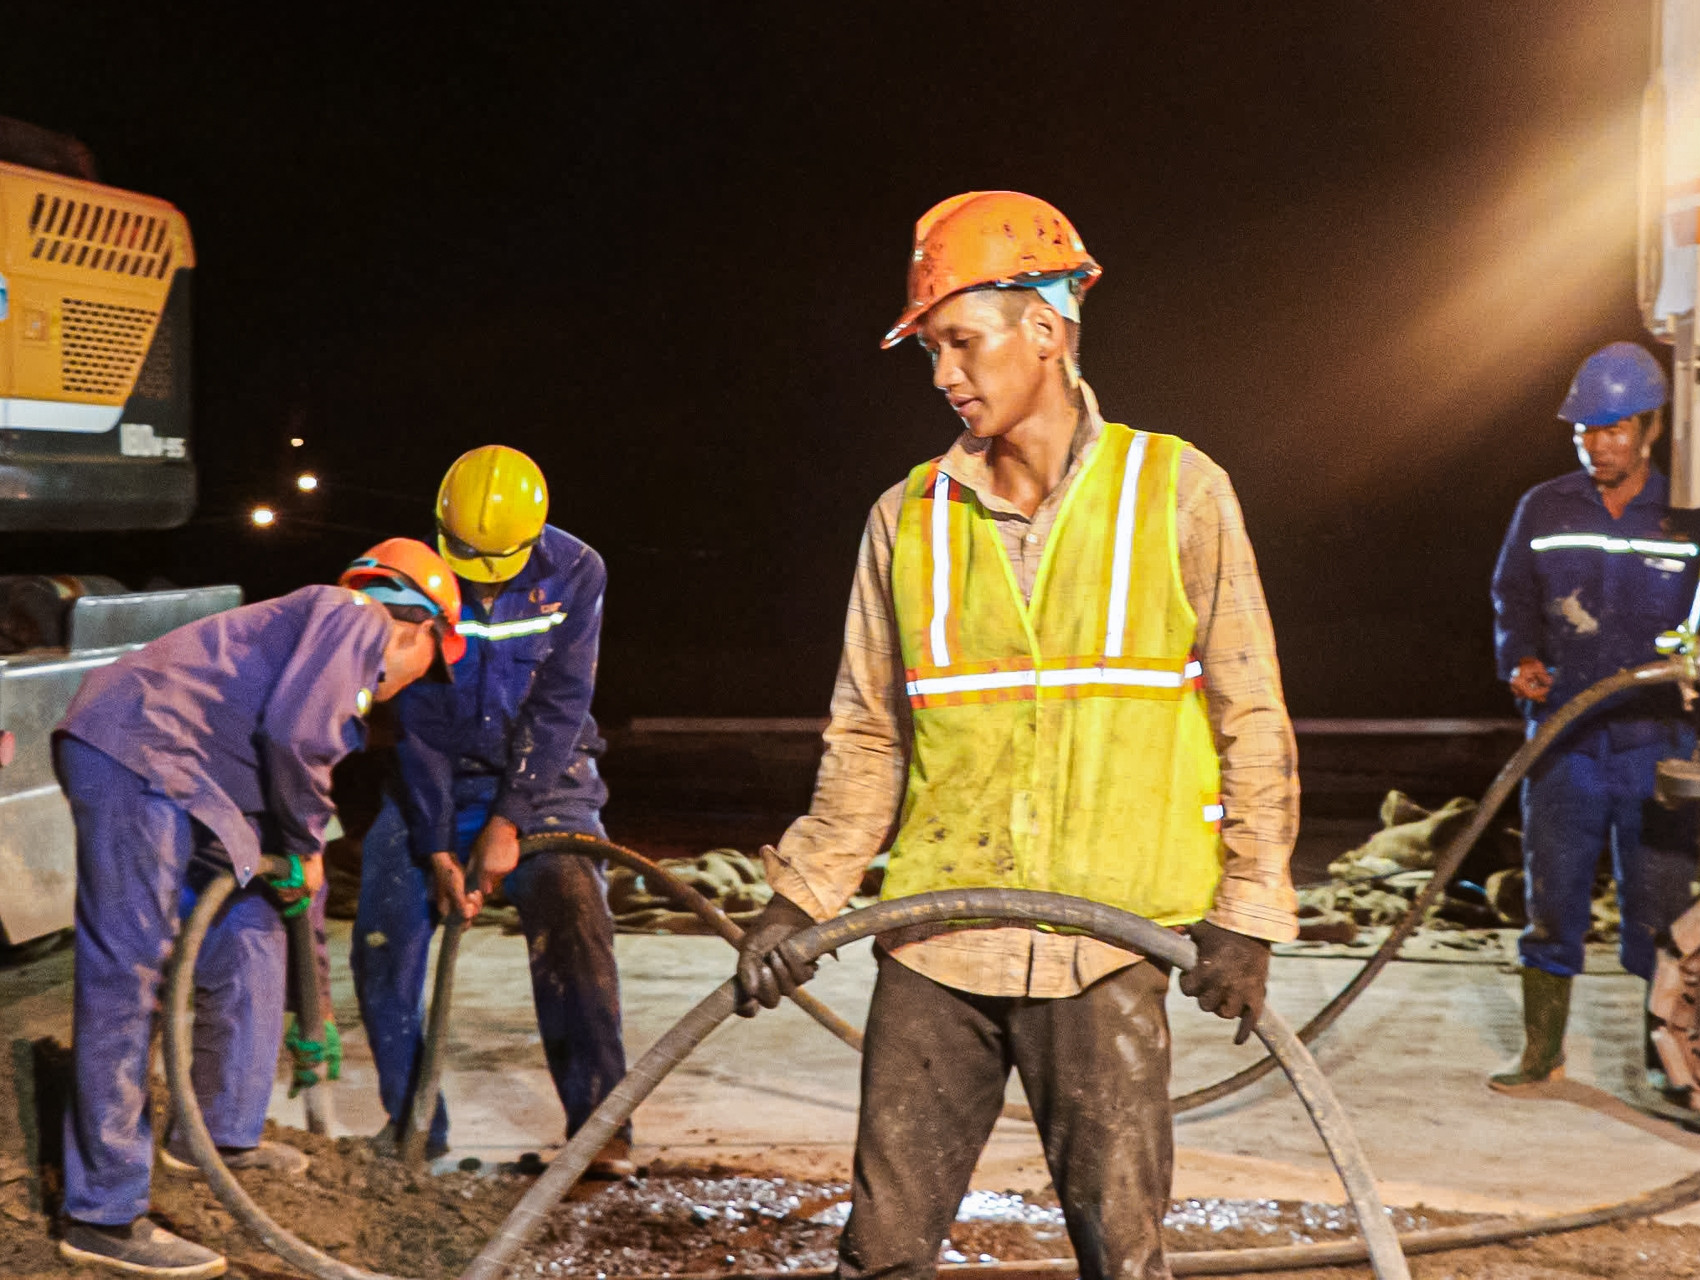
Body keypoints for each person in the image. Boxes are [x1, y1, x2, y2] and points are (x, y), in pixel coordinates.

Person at [734, 191, 1300, 1280]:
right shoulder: (905, 519)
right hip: (938, 939)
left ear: (1044, 329)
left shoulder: (1176, 489)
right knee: (882, 1251)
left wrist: (1248, 911)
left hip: (1109, 939)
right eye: (932, 349)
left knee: (1120, 1254)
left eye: (962, 340)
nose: (944, 372)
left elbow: (1250, 710)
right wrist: (799, 896)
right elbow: (868, 735)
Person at [56, 539, 463, 1279]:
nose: (412, 685)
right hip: (137, 749)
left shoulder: (318, 657)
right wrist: (308, 839)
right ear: (419, 626)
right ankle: (102, 1213)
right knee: (130, 968)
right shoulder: (356, 614)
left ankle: (217, 1133)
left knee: (254, 929)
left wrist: (319, 1015)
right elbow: (294, 741)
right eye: (428, 664)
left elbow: (297, 883)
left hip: (198, 780)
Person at [349, 445, 631, 1175]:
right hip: (435, 773)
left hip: (547, 775)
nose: (475, 577)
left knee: (574, 913)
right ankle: (414, 1128)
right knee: (383, 932)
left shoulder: (576, 572)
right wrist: (438, 844)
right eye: (463, 555)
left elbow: (562, 700)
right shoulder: (415, 578)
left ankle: (601, 1133)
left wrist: (511, 819)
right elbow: (417, 718)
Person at [1488, 341, 1700, 1093]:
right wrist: (1521, 659)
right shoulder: (1544, 506)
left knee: (1662, 912)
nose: (1599, 445)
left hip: (1657, 744)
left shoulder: (1691, 514)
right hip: (1565, 740)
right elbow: (1512, 596)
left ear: (1651, 427)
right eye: (1586, 431)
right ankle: (1543, 1052)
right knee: (1552, 901)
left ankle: (1664, 1058)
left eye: (1614, 430)